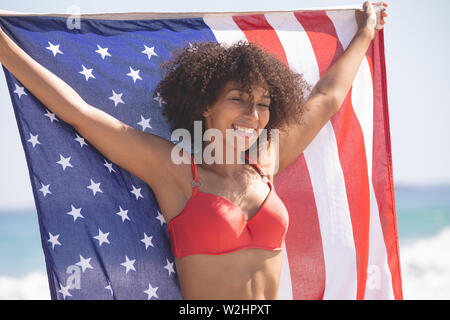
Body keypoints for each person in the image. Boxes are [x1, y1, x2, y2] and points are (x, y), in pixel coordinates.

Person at [0, 2, 388, 299]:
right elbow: (81, 114)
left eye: (264, 103)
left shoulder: (266, 161)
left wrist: (365, 34)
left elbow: (326, 98)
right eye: (239, 99)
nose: (254, 114)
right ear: (206, 106)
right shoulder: (175, 168)